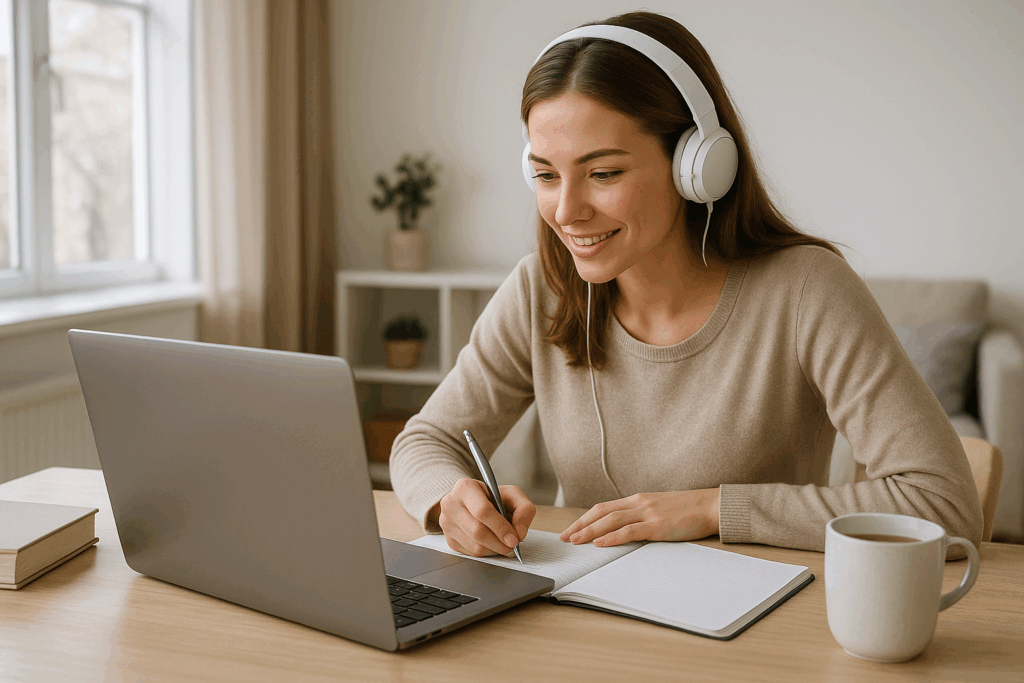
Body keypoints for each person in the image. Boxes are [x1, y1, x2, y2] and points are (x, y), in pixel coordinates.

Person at [389, 11, 983, 560]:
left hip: (758, 619)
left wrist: (710, 509)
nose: (566, 212)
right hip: (585, 612)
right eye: (546, 175)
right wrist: (450, 501)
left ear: (696, 165)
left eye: (603, 173)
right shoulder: (542, 289)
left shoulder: (806, 291)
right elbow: (425, 441)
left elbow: (943, 504)